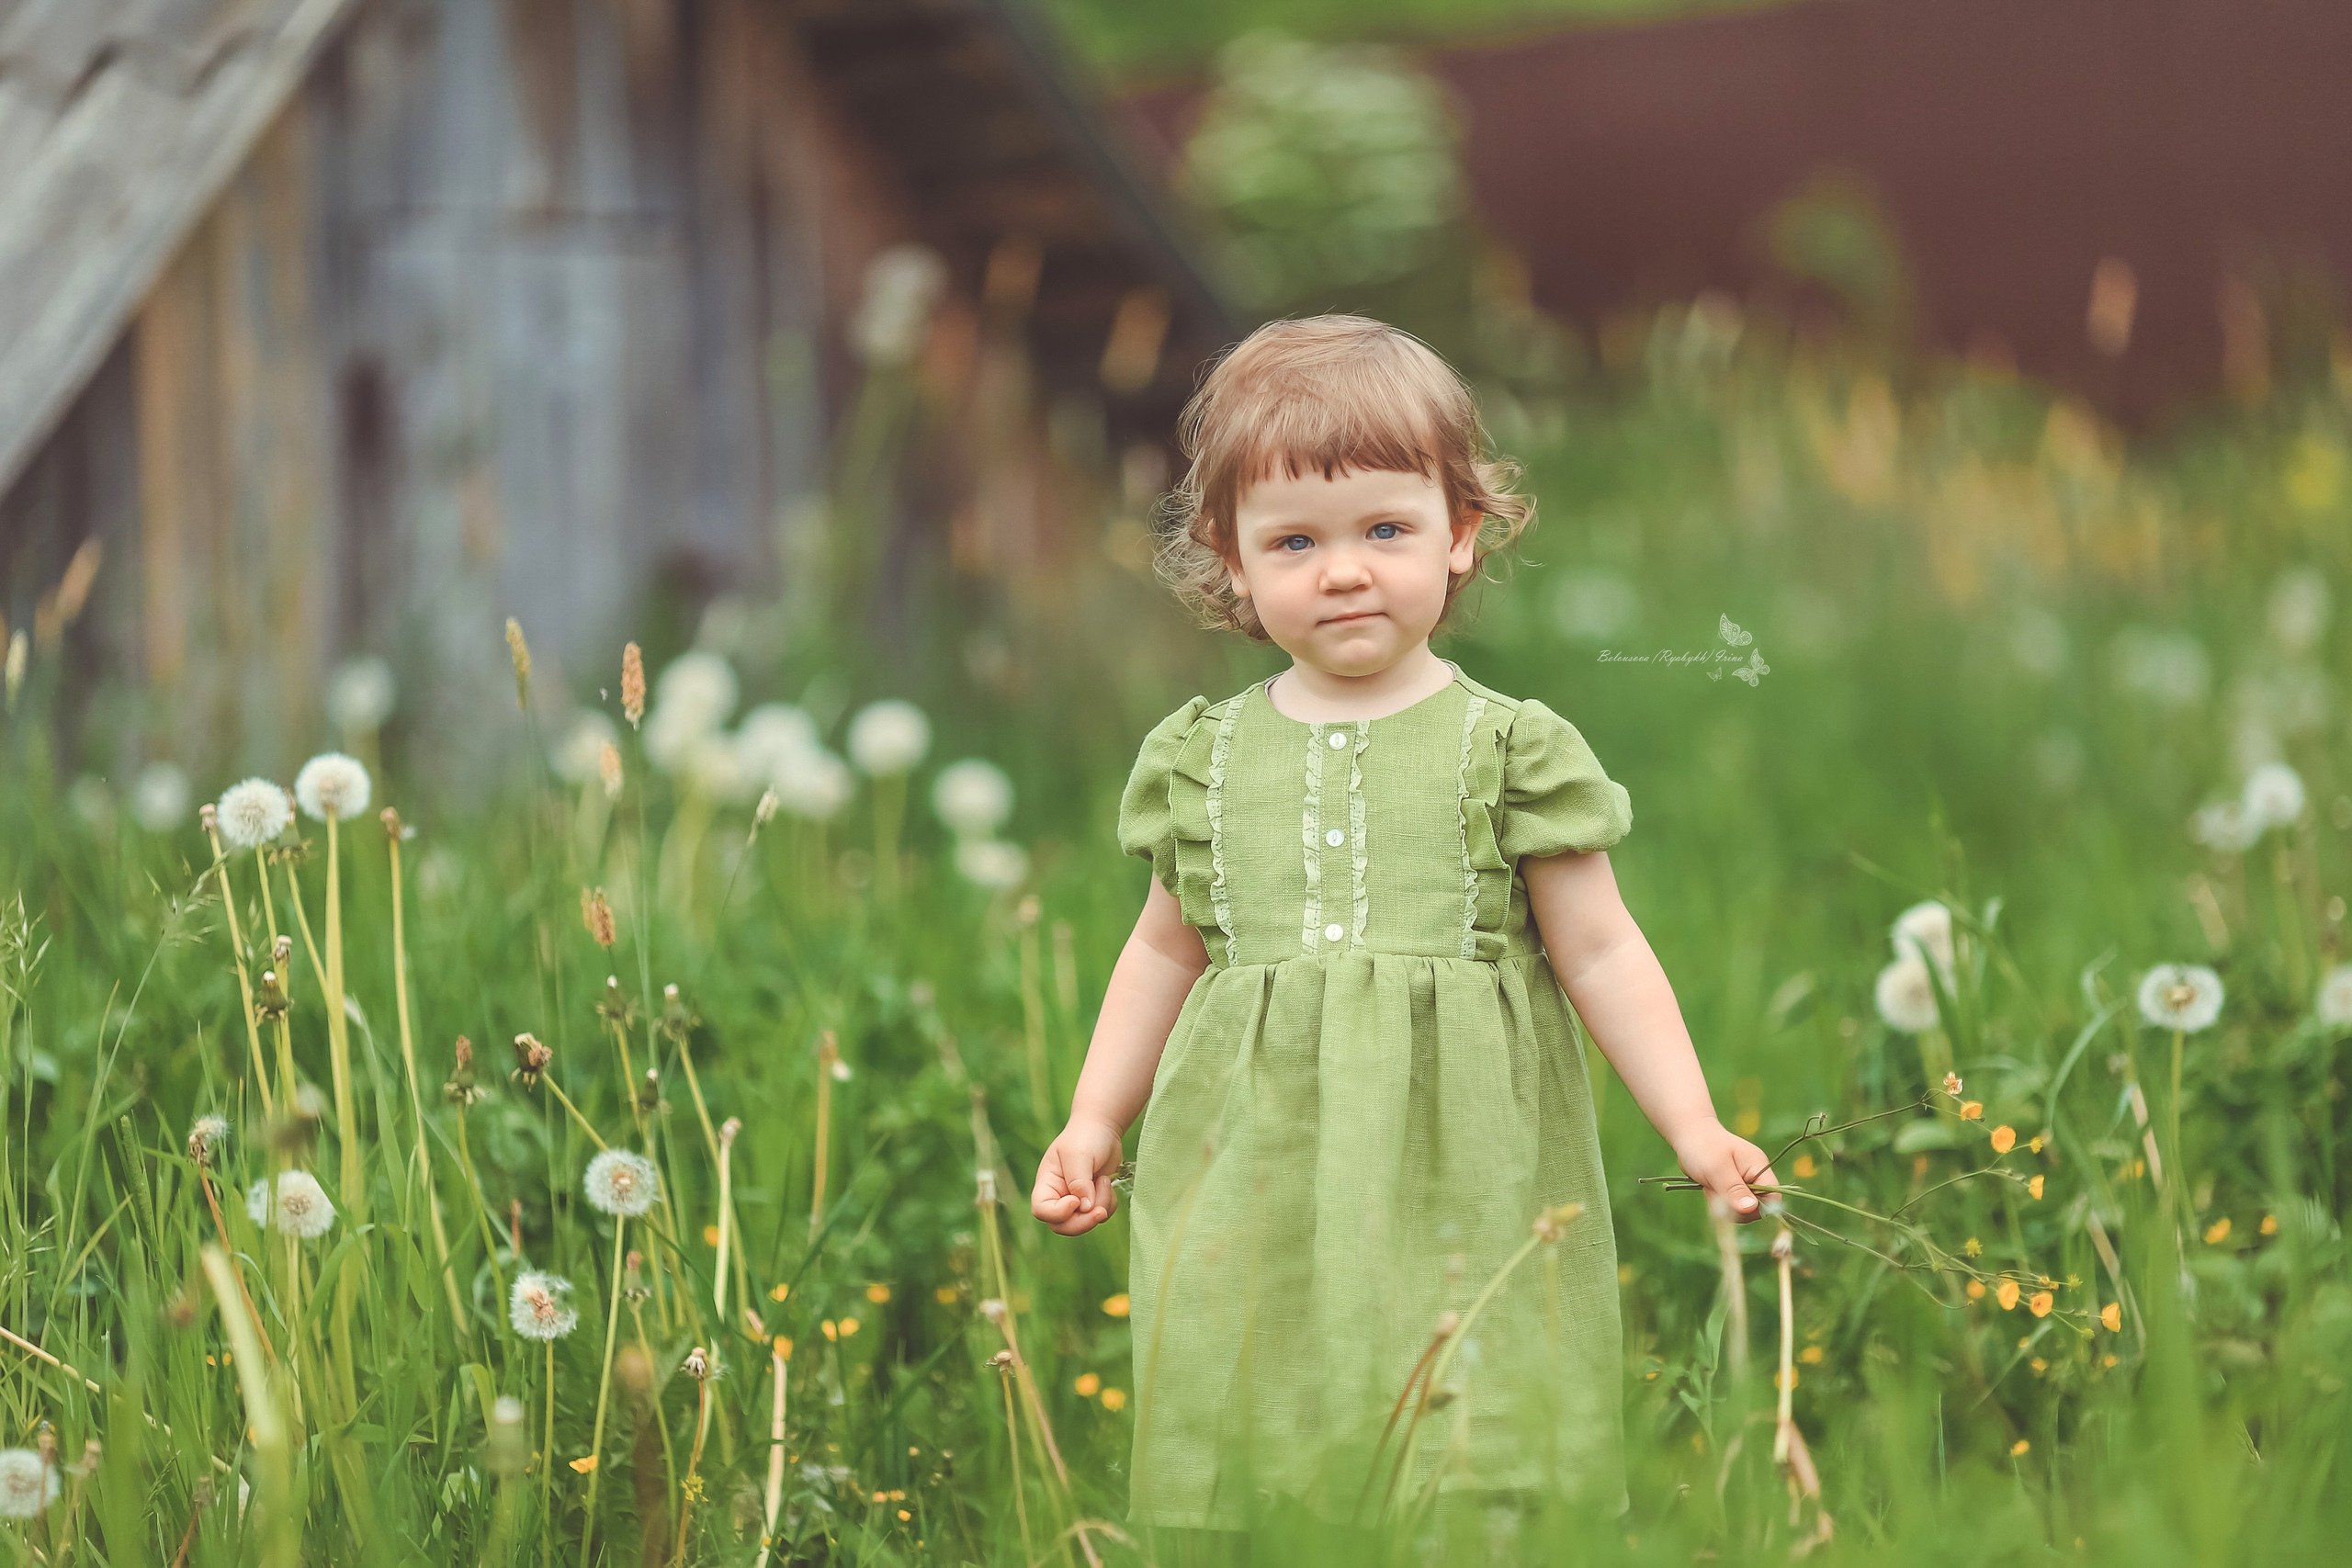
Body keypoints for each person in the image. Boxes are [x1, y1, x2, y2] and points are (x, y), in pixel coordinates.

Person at [1030, 313, 1778, 1547]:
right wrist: (1097, 1117)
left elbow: (1601, 950)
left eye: (1385, 528)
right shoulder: (1204, 758)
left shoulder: (1510, 748)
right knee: (1253, 1368)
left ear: (1461, 534)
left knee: (1468, 1404)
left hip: (1466, 1160)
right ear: (1232, 559)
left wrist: (1692, 1126)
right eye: (1294, 541)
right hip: (1253, 1159)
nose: (1343, 571)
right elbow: (1166, 949)